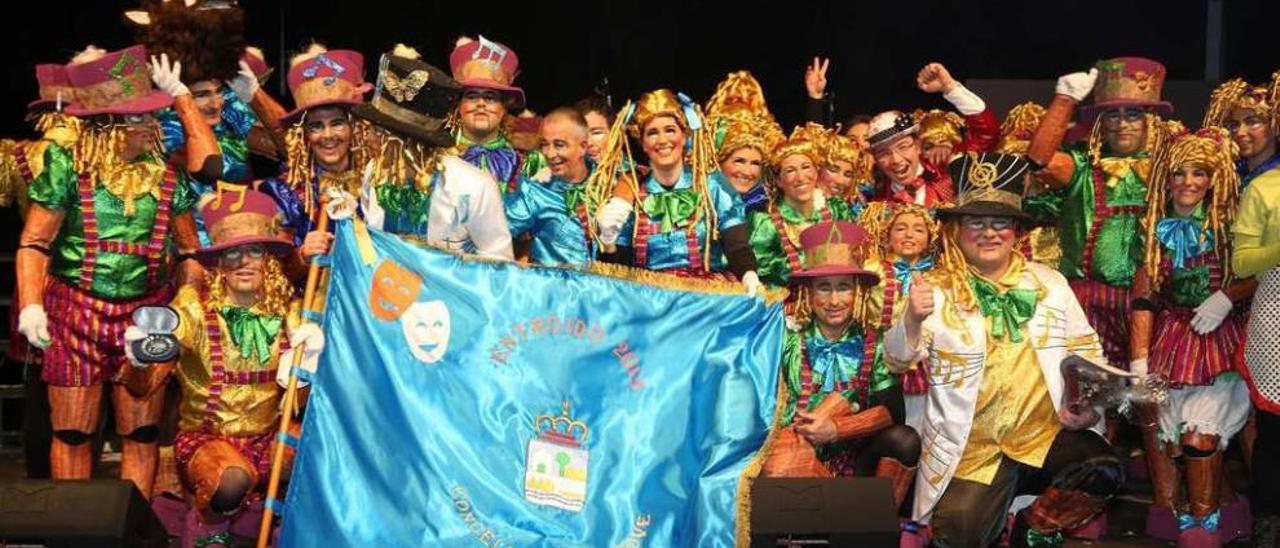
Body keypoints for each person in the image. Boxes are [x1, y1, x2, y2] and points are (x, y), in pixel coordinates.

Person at [883, 152, 1123, 547]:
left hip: (1046, 434)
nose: (989, 232)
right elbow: (897, 359)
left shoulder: (1050, 283)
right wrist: (911, 319)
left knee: (1101, 468)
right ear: (958, 230)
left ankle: (1035, 525)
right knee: (959, 535)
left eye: (1001, 222)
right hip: (973, 448)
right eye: (977, 221)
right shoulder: (935, 289)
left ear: (1016, 231)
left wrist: (1089, 405)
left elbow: (1086, 349)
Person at [15, 45, 211, 496]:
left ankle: (135, 529)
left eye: (148, 117)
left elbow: (190, 252)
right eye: (138, 118)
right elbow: (34, 241)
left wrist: (183, 302)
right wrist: (30, 304)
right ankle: (73, 532)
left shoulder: (167, 173)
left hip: (146, 313)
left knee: (141, 433)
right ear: (108, 126)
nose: (149, 126)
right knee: (72, 432)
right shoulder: (66, 167)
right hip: (75, 311)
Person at [121, 189, 321, 547]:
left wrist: (309, 367)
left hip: (267, 440)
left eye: (254, 251)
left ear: (269, 260)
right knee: (231, 480)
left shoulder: (290, 313)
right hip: (207, 442)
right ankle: (205, 531)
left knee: (323, 455)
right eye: (232, 252)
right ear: (219, 264)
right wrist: (137, 359)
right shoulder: (193, 309)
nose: (244, 261)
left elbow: (300, 405)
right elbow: (140, 388)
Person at [1130, 127, 1254, 546]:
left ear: (1214, 178)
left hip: (1220, 340)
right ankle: (1204, 510)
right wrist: (1138, 362)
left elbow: (1259, 271)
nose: (1188, 183)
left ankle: (1206, 522)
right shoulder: (1152, 228)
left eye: (1198, 173)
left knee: (1200, 438)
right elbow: (1144, 297)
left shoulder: (1230, 223)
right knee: (1165, 435)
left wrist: (1227, 295)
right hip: (1172, 339)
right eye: (1179, 173)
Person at [759, 220, 919, 516]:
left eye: (843, 287)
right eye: (824, 288)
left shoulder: (876, 342)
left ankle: (872, 525)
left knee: (905, 439)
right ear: (808, 292)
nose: (834, 301)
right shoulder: (784, 340)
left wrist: (836, 429)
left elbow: (893, 413)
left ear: (857, 292)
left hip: (856, 458)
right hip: (789, 454)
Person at [1027, 58, 1175, 367]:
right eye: (1112, 115)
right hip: (1086, 303)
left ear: (1151, 119)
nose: (1122, 123)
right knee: (1086, 398)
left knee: (1146, 401)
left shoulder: (1172, 168)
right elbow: (1039, 161)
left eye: (1132, 113)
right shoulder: (1083, 166)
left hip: (1153, 308)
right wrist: (1065, 99)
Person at [592, 89, 761, 294]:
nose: (662, 140)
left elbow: (737, 246)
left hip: (703, 299)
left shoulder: (712, 186)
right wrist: (609, 244)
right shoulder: (630, 193)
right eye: (653, 132)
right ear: (643, 143)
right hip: (650, 301)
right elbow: (620, 270)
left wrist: (749, 275)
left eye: (670, 130)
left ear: (684, 136)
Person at [352, 46, 514, 260]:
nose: (369, 137)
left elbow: (498, 265)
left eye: (378, 130)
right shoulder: (375, 172)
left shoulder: (474, 186)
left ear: (404, 142)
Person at [1229, 73, 1280, 547]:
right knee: (1273, 430)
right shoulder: (1260, 189)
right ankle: (1268, 519)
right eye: (1236, 123)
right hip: (1274, 317)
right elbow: (1241, 262)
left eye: (1255, 121)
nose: (1243, 132)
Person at [865, 63, 999, 206]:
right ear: (876, 160)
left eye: (903, 146)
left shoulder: (951, 175)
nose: (896, 160)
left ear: (917, 145)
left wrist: (950, 87)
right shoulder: (877, 208)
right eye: (883, 154)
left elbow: (987, 134)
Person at [858, 202, 938, 435]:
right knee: (885, 419)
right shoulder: (873, 269)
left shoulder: (938, 274)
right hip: (879, 358)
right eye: (901, 228)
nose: (909, 234)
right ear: (887, 235)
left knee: (922, 420)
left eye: (919, 229)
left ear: (930, 238)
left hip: (925, 359)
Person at [748, 126, 854, 288]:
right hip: (783, 309)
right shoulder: (765, 222)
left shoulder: (836, 211)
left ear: (816, 172)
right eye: (790, 171)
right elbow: (758, 274)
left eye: (806, 167)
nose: (800, 178)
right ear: (778, 180)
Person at [450, 36, 545, 193]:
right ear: (458, 105)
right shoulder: (433, 159)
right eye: (472, 96)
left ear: (504, 107)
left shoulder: (528, 163)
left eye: (490, 97)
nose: (481, 103)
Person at [504, 107, 598, 266]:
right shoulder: (535, 191)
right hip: (555, 287)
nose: (549, 154)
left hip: (609, 286)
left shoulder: (608, 182)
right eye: (545, 144)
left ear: (583, 147)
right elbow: (496, 228)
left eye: (559, 145)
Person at [705, 71, 783, 214]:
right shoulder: (696, 207)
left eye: (755, 163)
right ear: (719, 162)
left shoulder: (768, 212)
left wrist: (815, 100)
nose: (747, 172)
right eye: (739, 161)